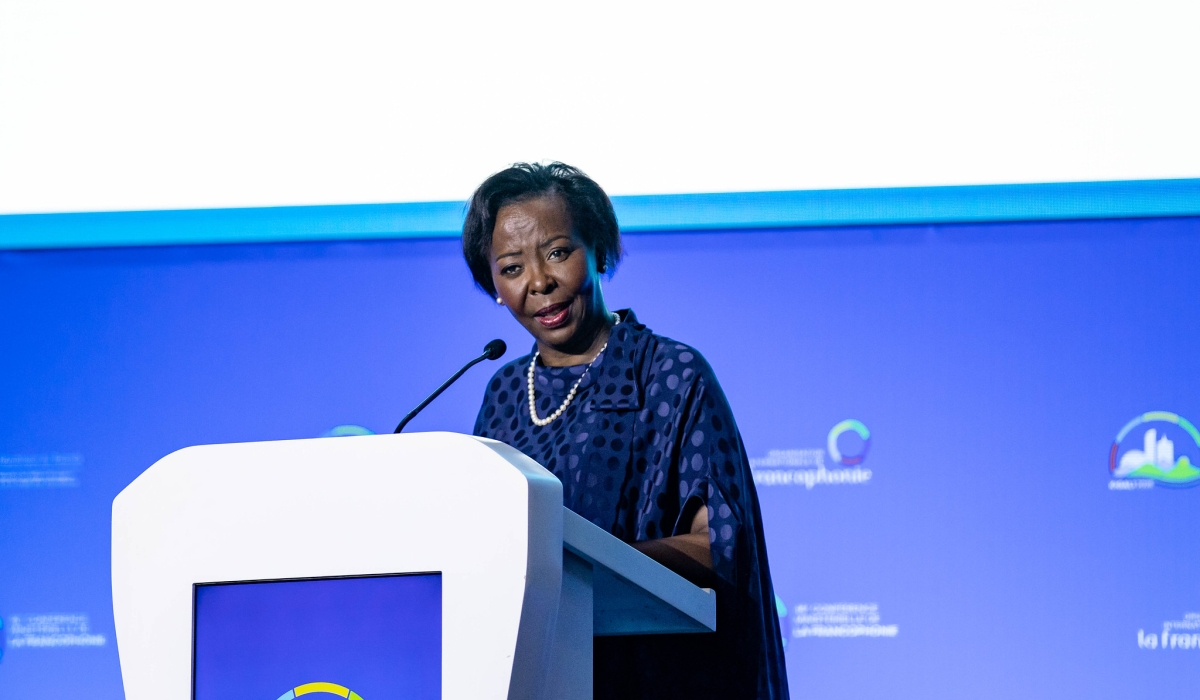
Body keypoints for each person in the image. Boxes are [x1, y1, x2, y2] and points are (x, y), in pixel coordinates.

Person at [465, 162, 789, 700]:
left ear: (598, 252)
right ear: (493, 283)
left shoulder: (671, 373)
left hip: (656, 675)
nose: (540, 282)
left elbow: (722, 549)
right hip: (538, 674)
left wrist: (586, 561)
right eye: (512, 267)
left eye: (558, 252)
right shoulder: (502, 392)